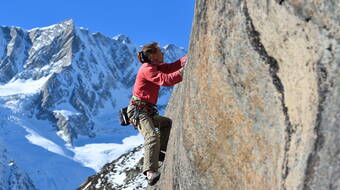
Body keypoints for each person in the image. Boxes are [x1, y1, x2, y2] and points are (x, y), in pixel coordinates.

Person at [127, 42, 187, 186]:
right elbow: (165, 80)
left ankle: (160, 151)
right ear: (153, 56)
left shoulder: (155, 67)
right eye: (160, 52)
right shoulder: (147, 69)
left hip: (146, 111)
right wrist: (184, 71)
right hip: (138, 111)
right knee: (151, 136)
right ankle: (149, 172)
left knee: (166, 123)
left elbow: (173, 66)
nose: (163, 54)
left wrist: (187, 59)